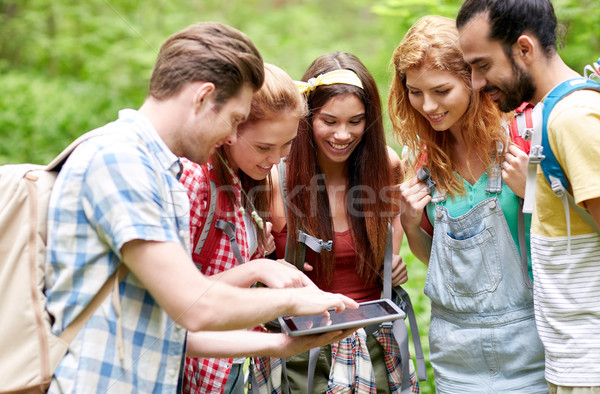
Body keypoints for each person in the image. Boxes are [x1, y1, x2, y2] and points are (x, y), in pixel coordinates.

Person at [44, 22, 357, 393]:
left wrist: (283, 344)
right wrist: (291, 299)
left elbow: (174, 328)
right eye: (236, 119)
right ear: (203, 97)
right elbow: (194, 305)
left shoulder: (160, 170)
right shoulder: (120, 160)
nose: (230, 136)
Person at [389, 15, 546, 392]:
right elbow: (441, 264)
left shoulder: (523, 137)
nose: (427, 106)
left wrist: (535, 193)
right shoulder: (423, 159)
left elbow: (575, 235)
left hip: (532, 349)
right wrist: (411, 225)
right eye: (415, 92)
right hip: (455, 357)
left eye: (441, 90)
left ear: (474, 81)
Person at [254, 51, 419, 393]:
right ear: (305, 117)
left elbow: (392, 231)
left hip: (376, 346)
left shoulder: (384, 167)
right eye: (329, 121)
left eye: (355, 121)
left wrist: (391, 260)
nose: (342, 134)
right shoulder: (274, 180)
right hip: (300, 355)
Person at [456, 0, 600, 391]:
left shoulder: (573, 118)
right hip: (572, 361)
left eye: (482, 65)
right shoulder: (551, 114)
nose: (475, 83)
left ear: (523, 49)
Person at [179, 62, 312, 393]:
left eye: (287, 145)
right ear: (231, 127)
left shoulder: (246, 178)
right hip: (199, 369)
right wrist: (257, 267)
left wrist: (269, 263)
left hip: (237, 359)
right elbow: (179, 296)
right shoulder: (196, 181)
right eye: (264, 147)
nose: (276, 159)